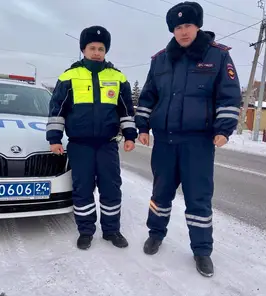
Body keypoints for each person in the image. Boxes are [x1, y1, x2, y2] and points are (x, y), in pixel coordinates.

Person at [135, 1, 241, 277]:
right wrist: (142, 126)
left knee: (198, 199)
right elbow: (148, 96)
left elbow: (229, 96)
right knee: (161, 193)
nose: (183, 31)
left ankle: (202, 251)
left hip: (199, 143)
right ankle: (155, 234)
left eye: (189, 25)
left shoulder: (217, 56)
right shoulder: (160, 60)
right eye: (178, 27)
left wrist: (223, 128)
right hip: (165, 141)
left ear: (198, 26)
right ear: (172, 30)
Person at [46, 25, 137, 250]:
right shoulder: (69, 76)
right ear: (83, 49)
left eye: (101, 48)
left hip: (107, 145)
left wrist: (129, 135)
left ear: (106, 51)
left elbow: (126, 110)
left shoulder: (117, 77)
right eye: (92, 48)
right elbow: (57, 109)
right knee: (83, 188)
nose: (96, 52)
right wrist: (54, 138)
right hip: (80, 145)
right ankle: (86, 231)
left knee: (111, 187)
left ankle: (111, 230)